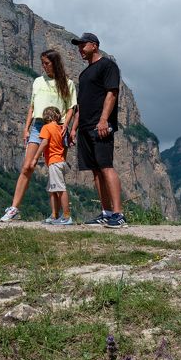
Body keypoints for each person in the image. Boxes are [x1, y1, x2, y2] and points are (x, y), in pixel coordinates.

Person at [0, 49, 77, 222]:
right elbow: (32, 106)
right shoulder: (37, 81)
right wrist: (26, 128)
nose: (44, 66)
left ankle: (56, 215)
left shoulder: (67, 83)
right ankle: (14, 209)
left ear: (55, 63)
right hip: (37, 126)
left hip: (57, 127)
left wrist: (66, 125)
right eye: (42, 63)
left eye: (47, 63)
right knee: (27, 166)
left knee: (54, 170)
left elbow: (72, 107)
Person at [70, 32, 126, 227]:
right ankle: (106, 212)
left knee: (106, 166)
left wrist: (104, 120)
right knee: (95, 171)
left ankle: (119, 214)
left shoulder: (108, 66)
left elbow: (112, 93)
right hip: (84, 128)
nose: (79, 49)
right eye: (78, 46)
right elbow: (81, 104)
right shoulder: (84, 73)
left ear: (94, 45)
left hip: (100, 126)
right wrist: (73, 129)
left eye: (82, 45)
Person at [37, 106, 73, 225]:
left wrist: (35, 157)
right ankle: (54, 215)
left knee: (61, 189)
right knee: (53, 189)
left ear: (45, 117)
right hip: (60, 160)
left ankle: (67, 216)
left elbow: (44, 143)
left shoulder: (46, 128)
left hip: (54, 162)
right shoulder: (60, 128)